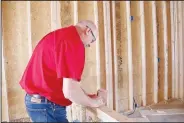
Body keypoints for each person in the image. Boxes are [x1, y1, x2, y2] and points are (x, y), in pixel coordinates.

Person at [19, 20, 107, 122]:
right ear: (88, 31)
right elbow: (70, 92)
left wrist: (86, 96)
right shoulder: (74, 43)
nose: (87, 45)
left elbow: (67, 83)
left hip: (38, 102)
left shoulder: (61, 36)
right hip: (47, 106)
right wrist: (93, 103)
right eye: (91, 41)